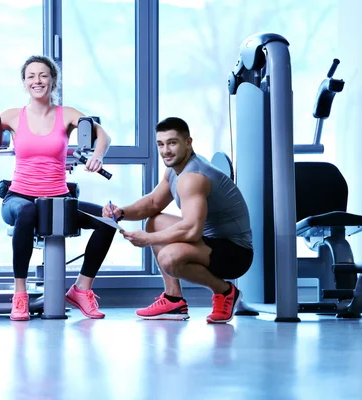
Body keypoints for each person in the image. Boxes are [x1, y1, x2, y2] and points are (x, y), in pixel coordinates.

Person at [0, 55, 116, 321]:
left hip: (58, 199)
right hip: (18, 198)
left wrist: (98, 156)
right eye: (31, 76)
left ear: (53, 80)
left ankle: (81, 289)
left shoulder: (68, 114)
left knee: (107, 221)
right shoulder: (13, 116)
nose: (37, 81)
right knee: (27, 211)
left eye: (43, 75)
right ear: (24, 82)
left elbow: (104, 136)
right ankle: (21, 296)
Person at [103, 117, 253, 324]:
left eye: (172, 143)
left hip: (235, 252)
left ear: (188, 142)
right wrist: (120, 212)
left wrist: (148, 239)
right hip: (210, 241)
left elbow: (192, 231)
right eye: (161, 144)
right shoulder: (175, 170)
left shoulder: (193, 177)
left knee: (169, 257)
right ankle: (173, 300)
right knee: (154, 221)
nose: (166, 151)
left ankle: (225, 292)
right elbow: (153, 203)